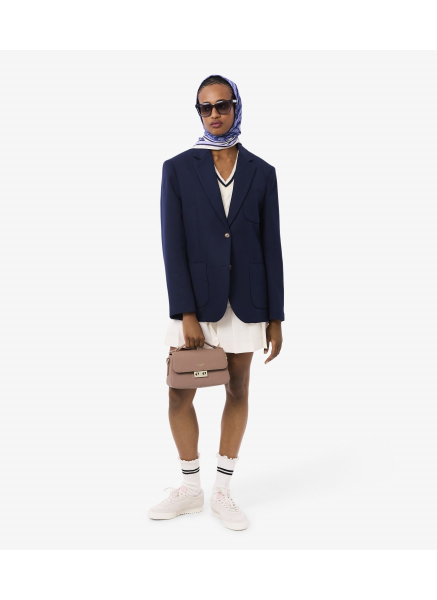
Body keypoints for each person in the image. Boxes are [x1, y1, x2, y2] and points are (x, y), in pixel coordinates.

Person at [148, 74, 285, 531]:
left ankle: (223, 491)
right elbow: (173, 245)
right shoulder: (177, 168)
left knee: (238, 389)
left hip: (247, 303)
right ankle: (190, 489)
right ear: (199, 112)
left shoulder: (262, 172)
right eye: (205, 107)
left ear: (236, 107)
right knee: (178, 393)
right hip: (195, 302)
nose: (215, 114)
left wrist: (276, 317)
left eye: (222, 105)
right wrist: (186, 313)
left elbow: (271, 247)